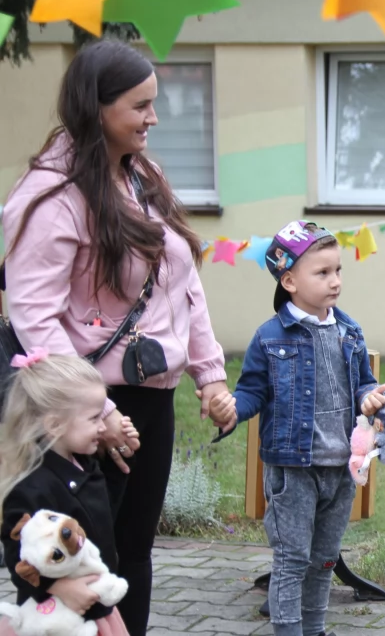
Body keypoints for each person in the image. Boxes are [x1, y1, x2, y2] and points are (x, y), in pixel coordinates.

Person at [0, 40, 232, 636]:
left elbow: (183, 284)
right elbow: (34, 317)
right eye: (140, 105)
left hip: (151, 402)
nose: (154, 118)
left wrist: (208, 375)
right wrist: (97, 412)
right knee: (88, 566)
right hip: (86, 415)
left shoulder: (142, 175)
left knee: (134, 557)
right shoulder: (51, 198)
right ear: (96, 108)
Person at [211, 220, 385, 636]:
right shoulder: (270, 336)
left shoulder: (349, 331)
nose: (335, 281)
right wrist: (231, 411)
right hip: (294, 470)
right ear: (290, 280)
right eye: (323, 272)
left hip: (341, 466)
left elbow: (364, 380)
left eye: (338, 271)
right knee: (292, 561)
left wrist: (370, 396)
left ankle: (314, 630)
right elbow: (251, 392)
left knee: (325, 559)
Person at [0, 351, 141, 636]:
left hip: (94, 609)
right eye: (93, 418)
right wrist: (61, 587)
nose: (103, 427)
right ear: (55, 424)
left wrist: (122, 464)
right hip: (55, 615)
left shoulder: (83, 465)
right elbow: (18, 558)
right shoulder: (32, 487)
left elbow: (104, 513)